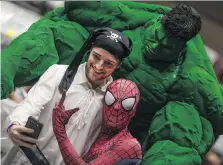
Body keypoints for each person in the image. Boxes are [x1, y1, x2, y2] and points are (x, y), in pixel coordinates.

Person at [4, 27, 132, 165]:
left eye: (108, 63)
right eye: (96, 56)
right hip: (27, 158)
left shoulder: (113, 100)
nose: (99, 66)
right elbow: (31, 105)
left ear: (118, 65)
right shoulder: (58, 74)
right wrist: (16, 123)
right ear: (90, 50)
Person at [53, 79, 142, 165]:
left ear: (133, 111)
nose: (116, 107)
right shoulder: (97, 130)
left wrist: (60, 131)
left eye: (127, 104)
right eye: (110, 99)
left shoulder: (130, 145)